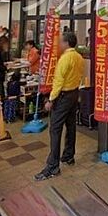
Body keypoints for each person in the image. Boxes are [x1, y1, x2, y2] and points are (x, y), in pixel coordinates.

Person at [35, 31, 84, 181]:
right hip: (74, 94)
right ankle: (69, 156)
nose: (59, 44)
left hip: (63, 96)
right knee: (71, 125)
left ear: (66, 43)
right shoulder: (79, 57)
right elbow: (80, 76)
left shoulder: (64, 59)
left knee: (55, 129)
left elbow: (58, 82)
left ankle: (52, 167)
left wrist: (51, 99)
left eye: (61, 41)